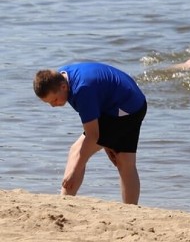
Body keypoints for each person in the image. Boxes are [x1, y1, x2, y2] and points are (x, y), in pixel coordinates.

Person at [33, 63, 147, 204]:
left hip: (126, 110)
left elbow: (93, 136)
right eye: (49, 103)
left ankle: (64, 202)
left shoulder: (81, 90)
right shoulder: (62, 76)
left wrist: (74, 172)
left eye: (54, 100)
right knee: (125, 161)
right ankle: (131, 210)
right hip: (134, 102)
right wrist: (107, 144)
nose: (53, 105)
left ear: (63, 87)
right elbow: (99, 111)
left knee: (76, 152)